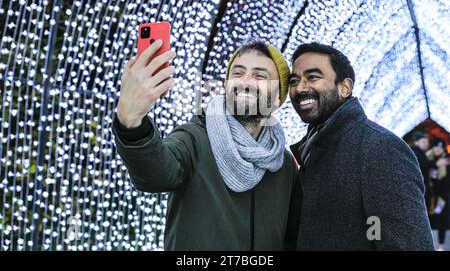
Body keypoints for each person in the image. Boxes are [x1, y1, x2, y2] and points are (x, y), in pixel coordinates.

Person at [112, 40, 300, 250]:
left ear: (277, 99)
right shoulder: (194, 139)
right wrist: (131, 123)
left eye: (260, 76)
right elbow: (155, 175)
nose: (245, 82)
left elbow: (291, 239)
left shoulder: (284, 165)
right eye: (237, 73)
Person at [288, 42, 434, 250]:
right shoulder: (314, 149)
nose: (300, 88)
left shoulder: (380, 149)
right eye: (294, 81)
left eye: (313, 77)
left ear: (345, 87)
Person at [427, 138, 450, 251]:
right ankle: (430, 244)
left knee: (442, 221)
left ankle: (440, 246)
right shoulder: (430, 158)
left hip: (443, 198)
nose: (438, 149)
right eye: (436, 146)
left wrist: (443, 198)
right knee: (429, 221)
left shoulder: (447, 160)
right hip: (431, 197)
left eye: (440, 147)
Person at [411, 132, 435, 213]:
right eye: (423, 141)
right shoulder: (414, 152)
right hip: (418, 187)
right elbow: (422, 163)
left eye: (427, 142)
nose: (426, 144)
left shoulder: (422, 153)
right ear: (416, 142)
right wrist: (436, 163)